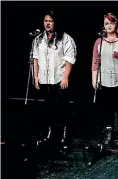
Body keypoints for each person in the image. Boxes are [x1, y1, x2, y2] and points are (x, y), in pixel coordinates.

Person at [33, 10, 77, 150]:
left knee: (62, 107)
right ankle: (51, 133)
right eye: (46, 20)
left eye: (50, 21)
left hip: (59, 78)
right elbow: (35, 59)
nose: (47, 23)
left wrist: (65, 77)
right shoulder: (38, 39)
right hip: (45, 79)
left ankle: (65, 134)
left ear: (55, 22)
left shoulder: (65, 38)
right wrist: (36, 77)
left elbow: (70, 58)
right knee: (48, 108)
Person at [92, 12, 118, 146]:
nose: (109, 26)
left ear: (116, 24)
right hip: (104, 79)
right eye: (106, 23)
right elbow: (95, 61)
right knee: (106, 107)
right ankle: (108, 131)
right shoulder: (99, 42)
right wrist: (94, 78)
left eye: (111, 23)